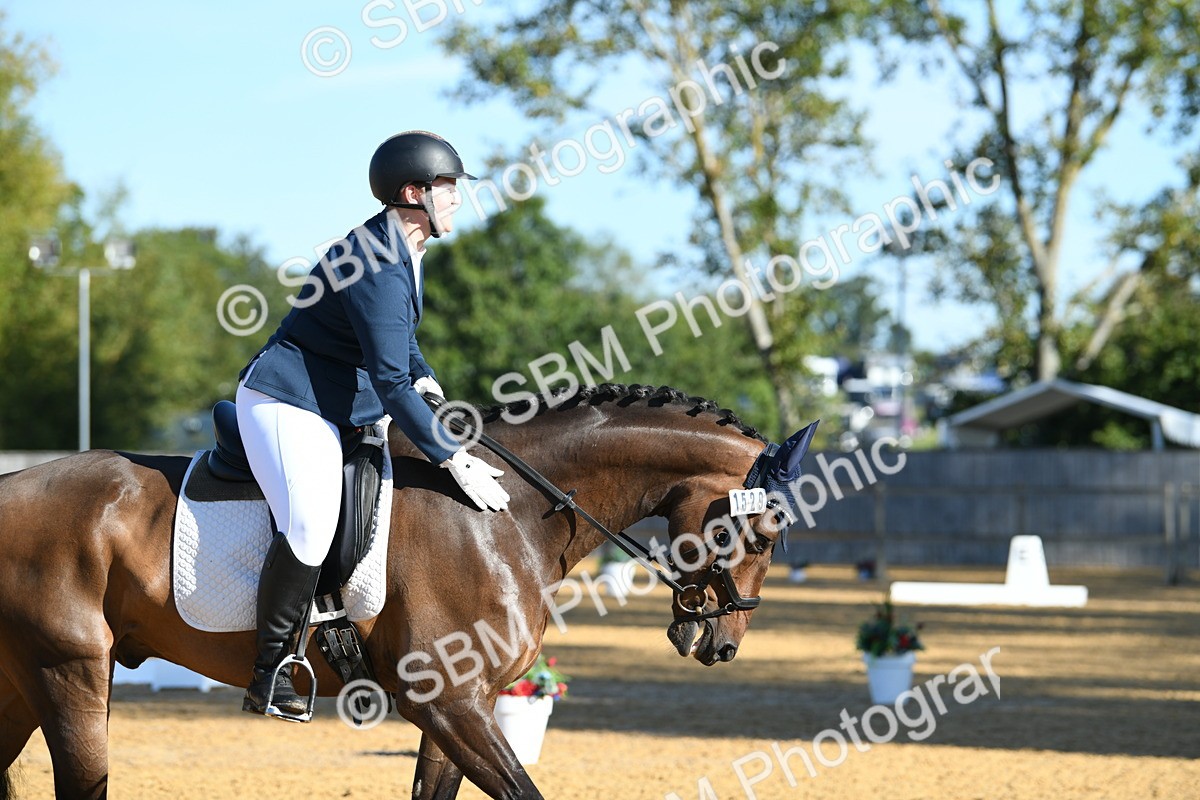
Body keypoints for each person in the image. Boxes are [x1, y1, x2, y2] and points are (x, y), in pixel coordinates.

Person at [234, 130, 510, 720]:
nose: (458, 198)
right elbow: (389, 381)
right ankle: (269, 671)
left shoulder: (402, 247)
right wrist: (451, 456)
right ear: (414, 193)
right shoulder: (378, 262)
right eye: (448, 187)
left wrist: (429, 382)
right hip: (288, 401)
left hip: (338, 402)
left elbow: (399, 343)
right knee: (310, 525)